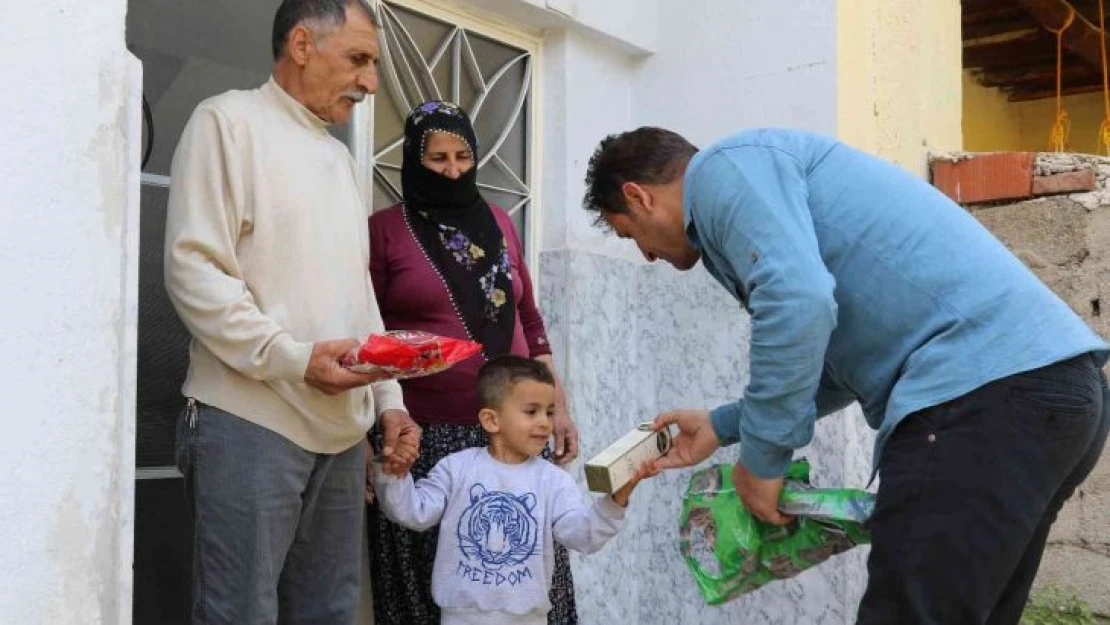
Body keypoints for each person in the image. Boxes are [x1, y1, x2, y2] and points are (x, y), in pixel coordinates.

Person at [582, 126, 1110, 625]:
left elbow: (798, 304)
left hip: (983, 398)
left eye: (631, 235)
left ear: (639, 196)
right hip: (1052, 393)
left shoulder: (724, 171)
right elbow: (832, 365)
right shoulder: (761, 184)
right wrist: (723, 425)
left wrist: (763, 461)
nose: (646, 255)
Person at [164, 1, 421, 623]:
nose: (371, 83)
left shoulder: (338, 160)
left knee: (327, 614)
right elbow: (193, 271)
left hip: (338, 433)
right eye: (358, 60)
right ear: (302, 45)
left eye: (374, 64)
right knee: (238, 614)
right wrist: (295, 359)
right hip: (249, 421)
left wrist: (389, 404)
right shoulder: (226, 122)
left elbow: (356, 295)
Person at [367, 100, 582, 625]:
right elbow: (366, 336)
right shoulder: (385, 230)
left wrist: (558, 407)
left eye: (463, 155)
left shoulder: (501, 223)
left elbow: (530, 320)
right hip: (422, 438)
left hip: (507, 435)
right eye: (437, 157)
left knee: (524, 574)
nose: (453, 169)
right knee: (431, 589)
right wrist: (363, 445)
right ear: (414, 162)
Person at [373, 356, 656, 625]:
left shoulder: (553, 481)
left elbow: (583, 536)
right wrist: (395, 471)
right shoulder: (455, 469)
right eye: (531, 412)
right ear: (491, 420)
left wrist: (617, 498)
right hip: (460, 618)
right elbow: (414, 512)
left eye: (549, 412)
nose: (545, 423)